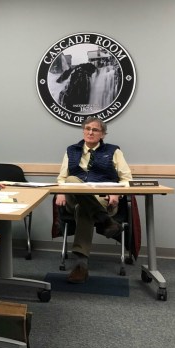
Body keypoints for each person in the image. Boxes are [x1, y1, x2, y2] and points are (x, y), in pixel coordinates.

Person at [54, 116, 132, 284]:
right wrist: (60, 192)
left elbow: (126, 179)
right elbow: (62, 178)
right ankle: (104, 220)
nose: (90, 132)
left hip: (102, 199)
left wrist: (117, 193)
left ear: (103, 134)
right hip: (72, 197)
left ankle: (81, 265)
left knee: (84, 209)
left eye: (95, 130)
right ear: (83, 131)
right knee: (72, 180)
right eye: (87, 128)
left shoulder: (114, 151)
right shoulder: (71, 150)